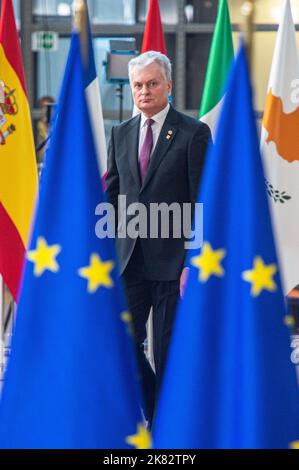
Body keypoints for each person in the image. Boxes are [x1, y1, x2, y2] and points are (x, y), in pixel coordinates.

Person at [106, 51, 211, 424]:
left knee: (167, 353)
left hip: (173, 263)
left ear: (168, 84)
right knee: (119, 343)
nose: (144, 91)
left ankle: (170, 429)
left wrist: (192, 261)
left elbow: (204, 200)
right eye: (138, 85)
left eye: (152, 83)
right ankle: (157, 410)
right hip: (129, 261)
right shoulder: (120, 134)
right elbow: (113, 197)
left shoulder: (193, 133)